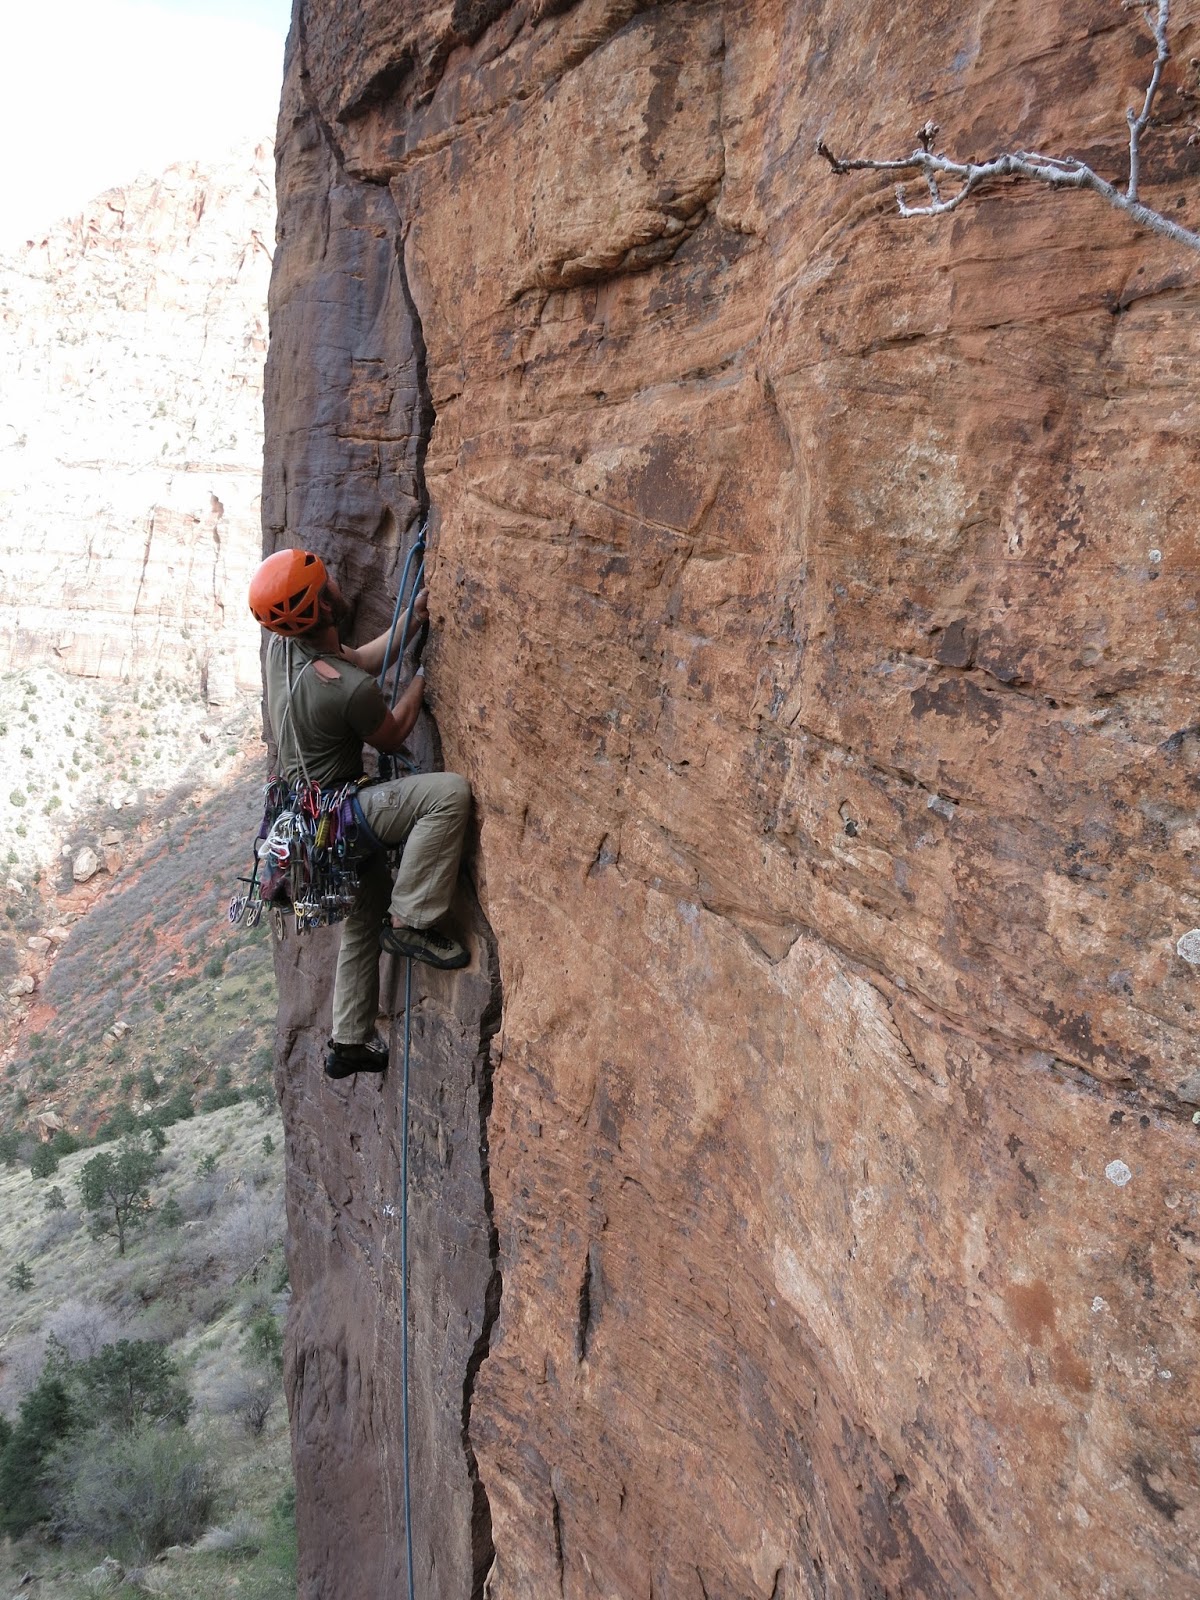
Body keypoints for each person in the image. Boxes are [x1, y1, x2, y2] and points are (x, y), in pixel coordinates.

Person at [248, 546, 471, 1081]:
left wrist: (412, 622)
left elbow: (359, 661)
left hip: (302, 824)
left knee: (363, 917)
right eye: (327, 583)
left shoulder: (284, 652)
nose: (335, 583)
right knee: (448, 795)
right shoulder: (341, 689)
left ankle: (348, 1041)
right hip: (341, 818)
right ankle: (411, 921)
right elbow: (392, 733)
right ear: (324, 607)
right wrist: (427, 677)